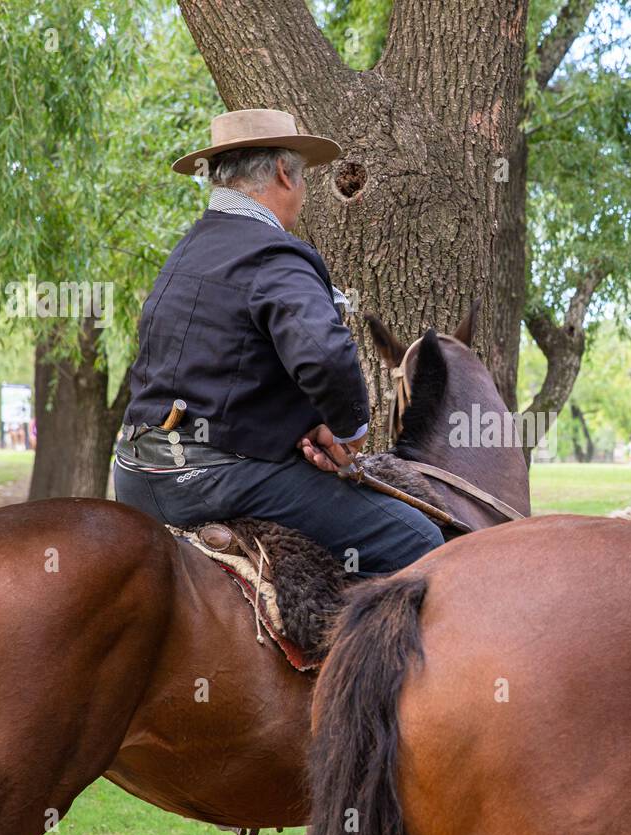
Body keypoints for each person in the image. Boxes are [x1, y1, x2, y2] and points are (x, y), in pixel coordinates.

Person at [113, 109, 443, 576]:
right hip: (211, 479)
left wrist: (299, 423)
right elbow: (326, 357)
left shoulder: (188, 252)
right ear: (285, 174)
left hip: (135, 474)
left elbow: (223, 371)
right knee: (419, 541)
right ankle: (354, 650)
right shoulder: (270, 251)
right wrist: (349, 431)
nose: (303, 192)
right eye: (303, 176)